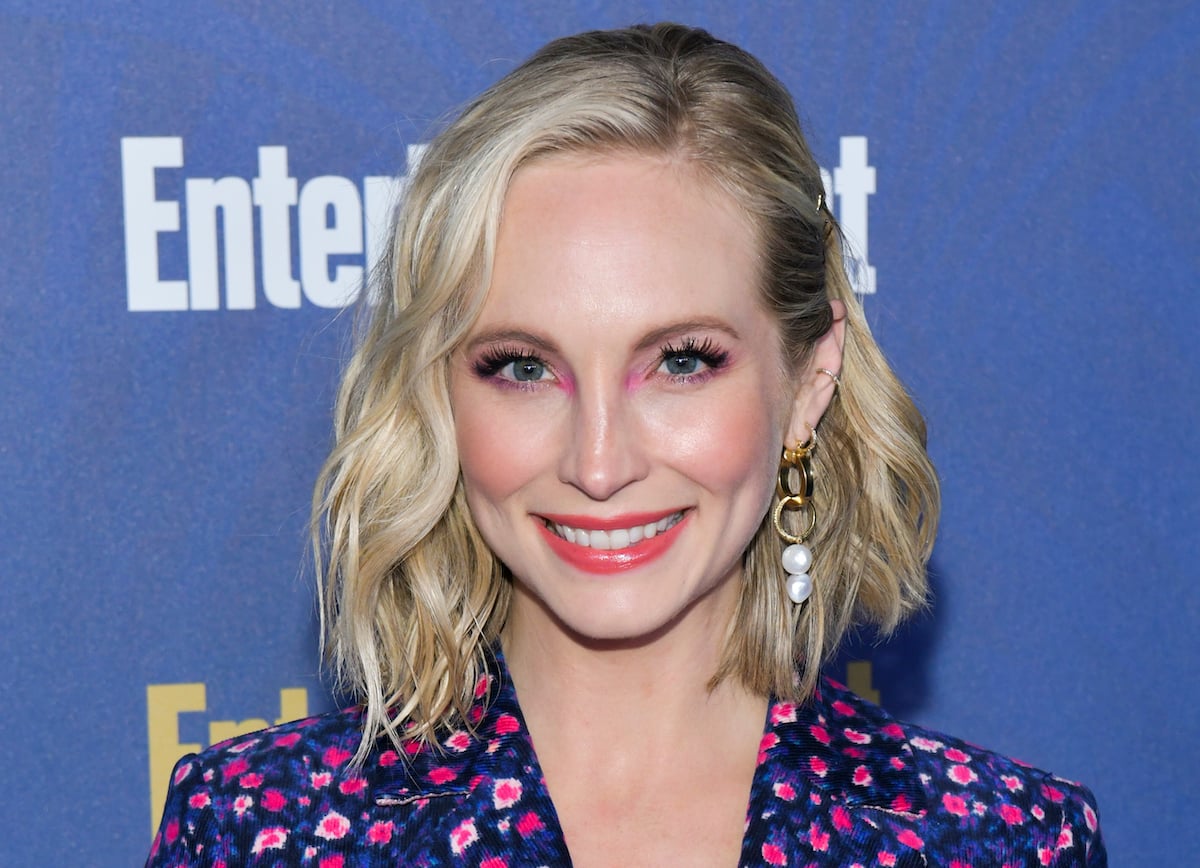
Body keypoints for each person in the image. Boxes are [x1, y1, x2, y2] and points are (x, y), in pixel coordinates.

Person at [147, 22, 1104, 867]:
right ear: (438, 393)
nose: (599, 465)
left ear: (810, 378)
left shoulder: (1001, 843)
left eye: (682, 362)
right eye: (524, 367)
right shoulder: (254, 834)